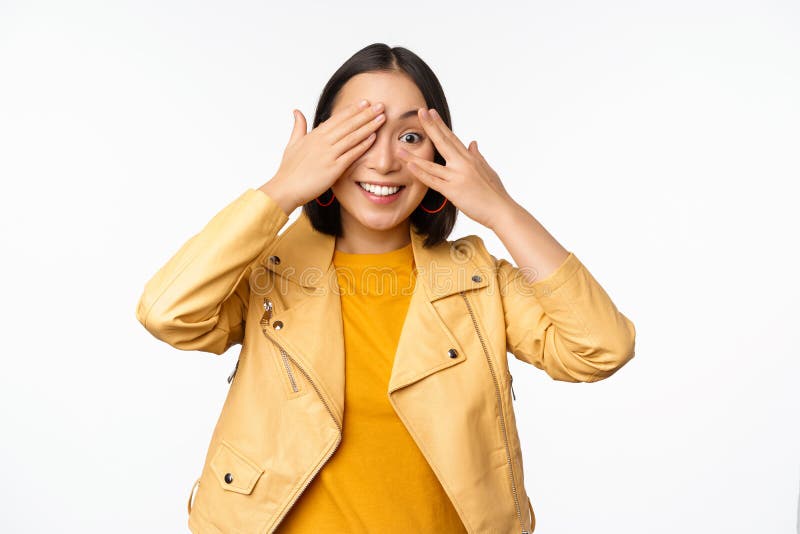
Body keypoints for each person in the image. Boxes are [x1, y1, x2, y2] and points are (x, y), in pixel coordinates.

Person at [135, 42, 636, 534]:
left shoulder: (480, 284)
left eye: (411, 137)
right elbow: (168, 312)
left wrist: (501, 210)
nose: (383, 161)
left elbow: (601, 349)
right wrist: (284, 188)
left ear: (441, 151)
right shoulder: (270, 274)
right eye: (360, 131)